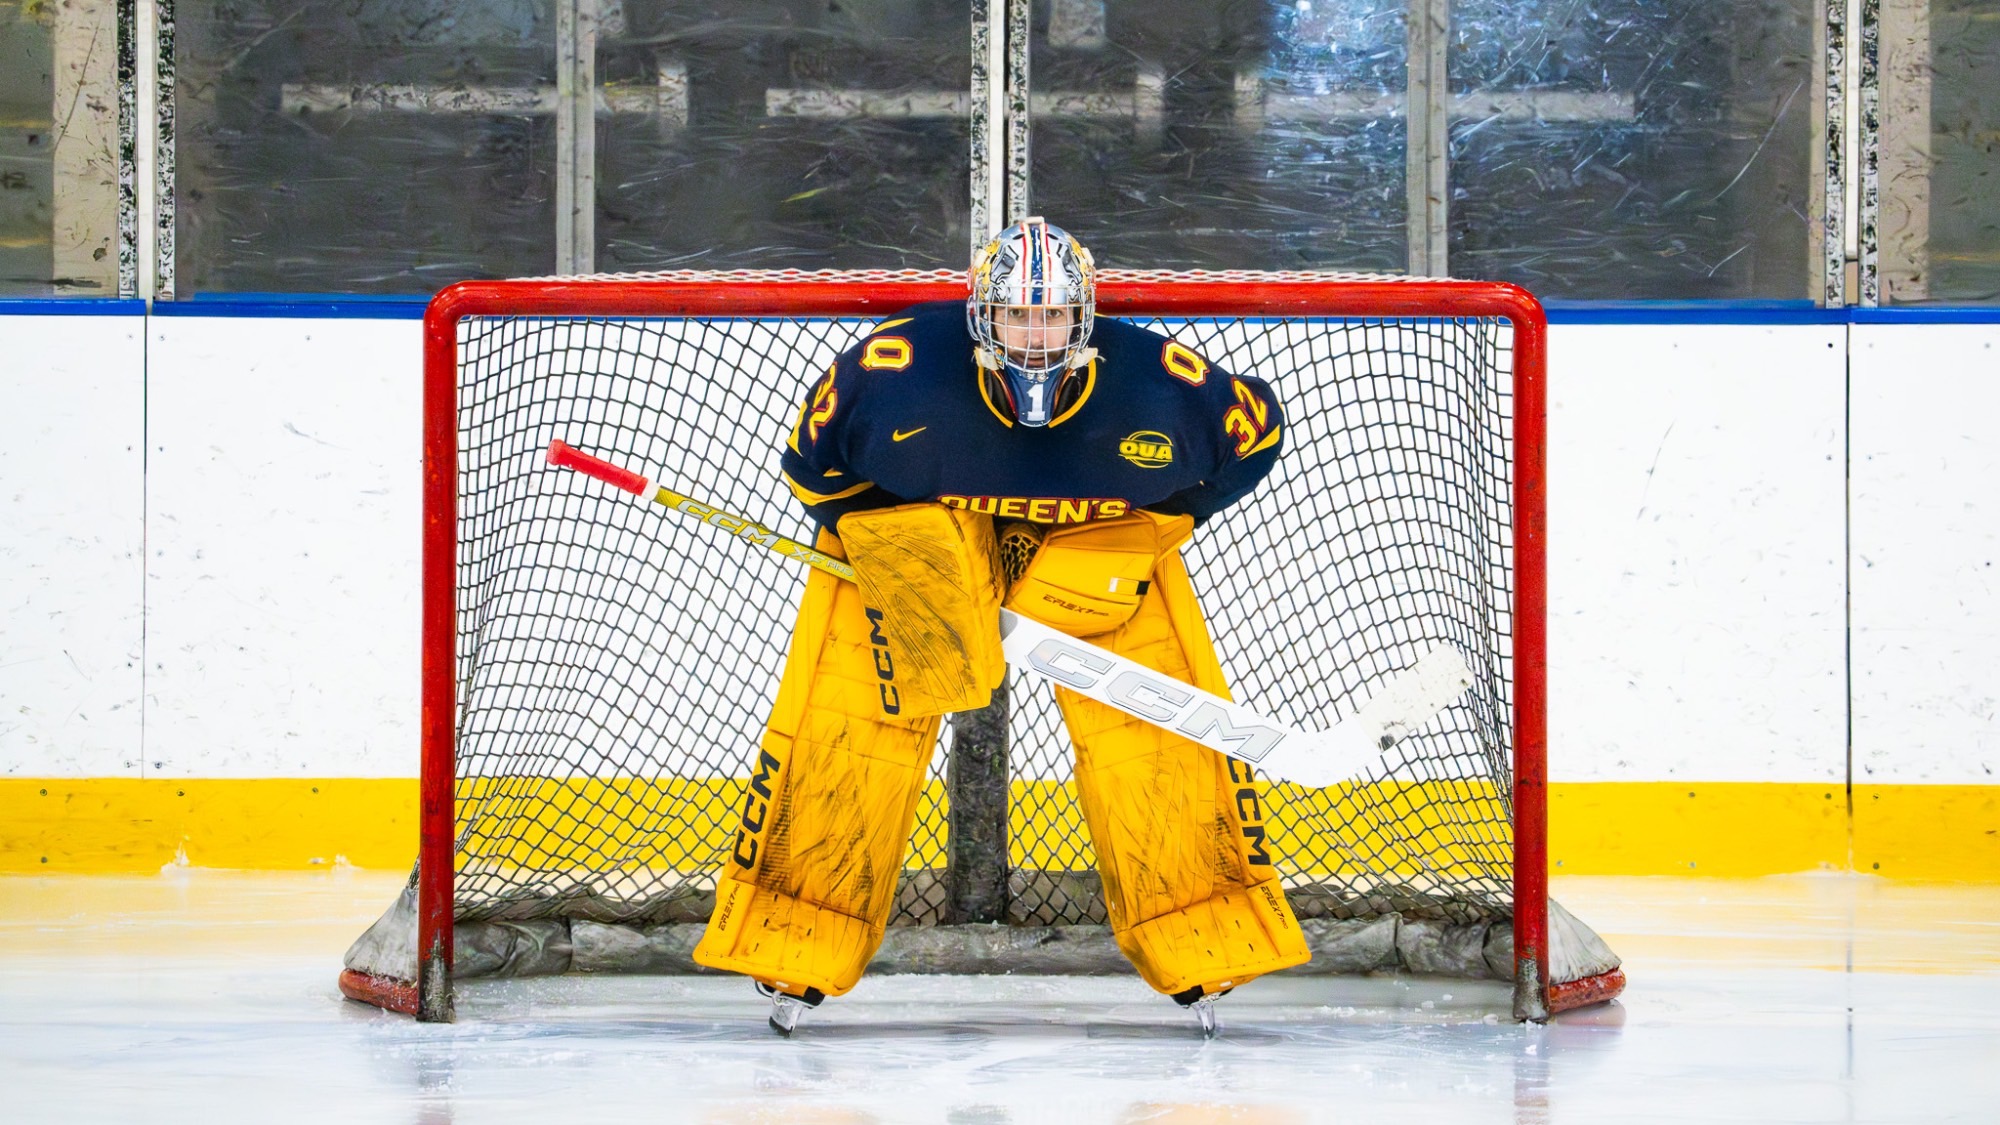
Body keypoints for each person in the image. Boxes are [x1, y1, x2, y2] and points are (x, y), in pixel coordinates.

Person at [690, 217, 1307, 1035]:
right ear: (982, 315)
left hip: (1095, 536)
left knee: (1152, 732)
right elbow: (813, 462)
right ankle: (792, 938)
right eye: (1019, 316)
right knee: (849, 724)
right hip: (925, 530)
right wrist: (890, 547)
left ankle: (1207, 934)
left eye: (1053, 317)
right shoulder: (895, 369)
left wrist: (1164, 521)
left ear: (1085, 317)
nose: (1037, 336)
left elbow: (1257, 433)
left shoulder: (1162, 383)